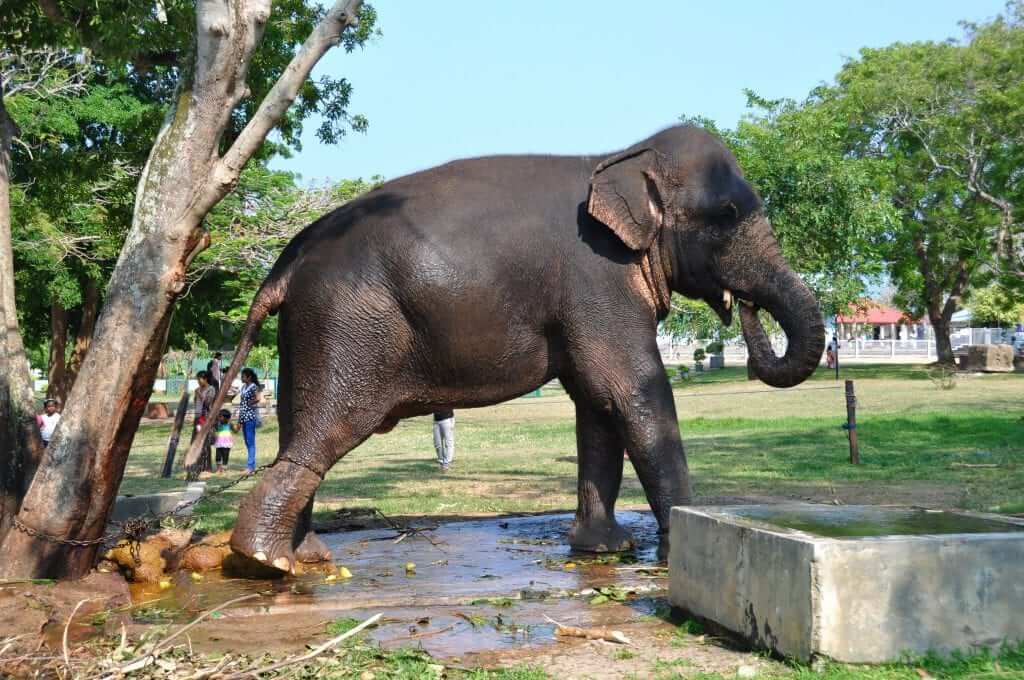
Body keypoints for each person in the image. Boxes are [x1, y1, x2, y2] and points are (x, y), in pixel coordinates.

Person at [238, 367, 264, 473]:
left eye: (243, 376)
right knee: (247, 442)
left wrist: (251, 403)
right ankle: (249, 465)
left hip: (250, 417)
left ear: (249, 377)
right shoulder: (243, 387)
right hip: (243, 417)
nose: (241, 378)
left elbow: (258, 398)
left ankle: (250, 466)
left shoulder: (254, 387)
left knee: (250, 442)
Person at [192, 370, 216, 472]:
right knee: (196, 441)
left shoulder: (211, 389)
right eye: (197, 379)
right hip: (197, 417)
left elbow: (207, 403)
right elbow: (195, 402)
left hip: (205, 418)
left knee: (205, 441)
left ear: (205, 379)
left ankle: (207, 466)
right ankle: (198, 464)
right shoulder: (197, 389)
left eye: (199, 379)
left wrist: (199, 394)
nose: (198, 381)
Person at [213, 408, 235, 473]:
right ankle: (218, 469)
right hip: (219, 443)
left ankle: (224, 469)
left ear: (226, 418)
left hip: (227, 443)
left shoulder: (230, 424)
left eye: (221, 416)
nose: (219, 418)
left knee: (225, 456)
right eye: (219, 416)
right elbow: (215, 429)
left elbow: (235, 430)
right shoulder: (218, 424)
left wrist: (238, 426)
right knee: (218, 456)